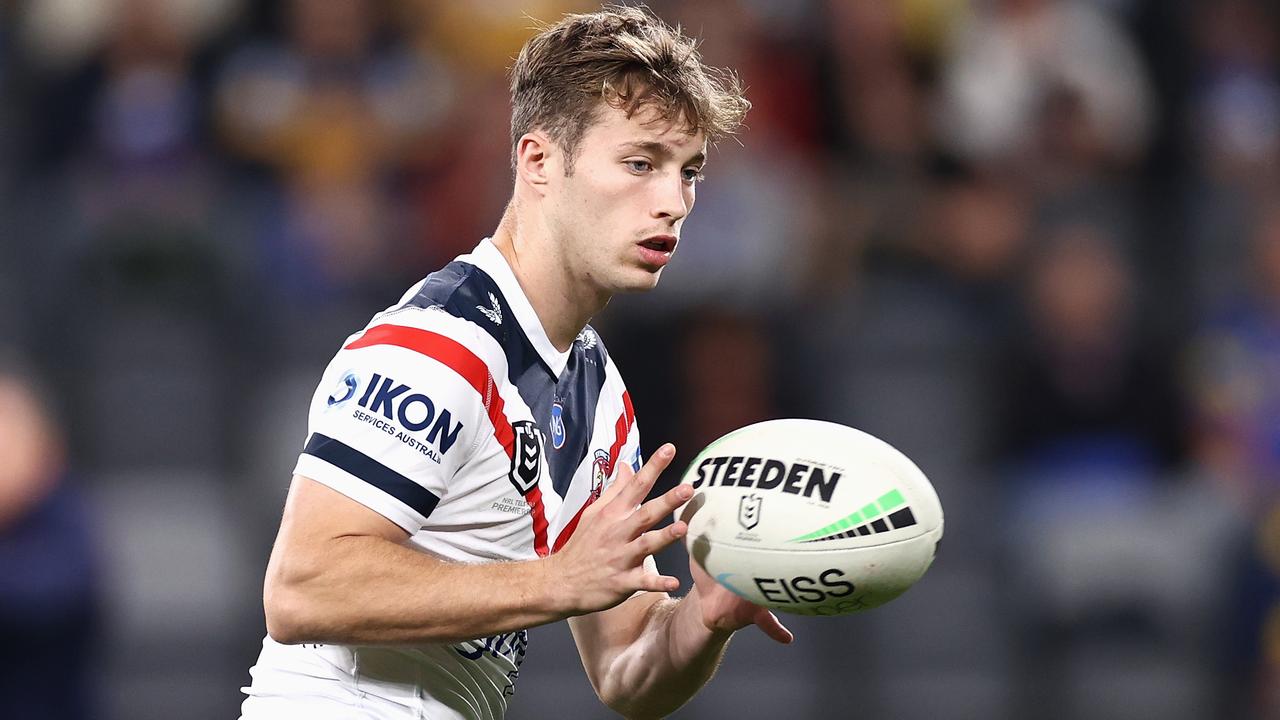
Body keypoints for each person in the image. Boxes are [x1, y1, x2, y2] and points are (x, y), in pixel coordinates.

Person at [240, 6, 793, 719]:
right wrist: (557, 579)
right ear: (538, 162)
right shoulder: (438, 346)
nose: (673, 202)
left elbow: (626, 670)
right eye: (639, 163)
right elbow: (302, 589)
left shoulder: (597, 396)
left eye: (689, 172)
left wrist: (702, 621)